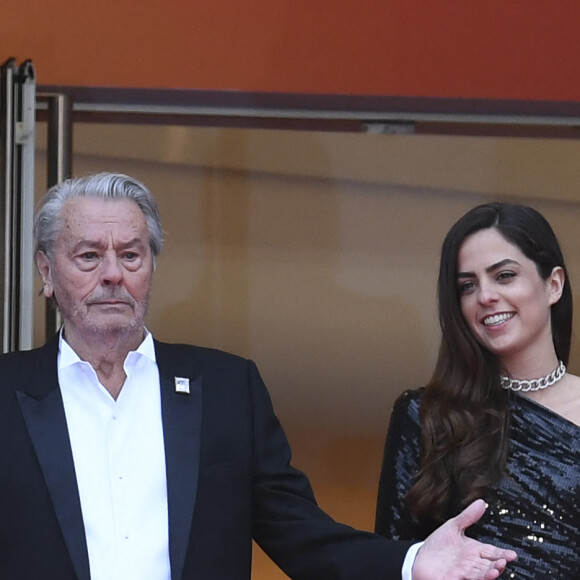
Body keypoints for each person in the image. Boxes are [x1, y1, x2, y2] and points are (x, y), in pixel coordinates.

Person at [0, 173, 516, 580]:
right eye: (89, 255)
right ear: (47, 272)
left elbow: (301, 535)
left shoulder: (226, 389)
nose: (112, 273)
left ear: (151, 267)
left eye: (130, 255)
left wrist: (411, 563)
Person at [375, 202, 579, 579]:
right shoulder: (426, 415)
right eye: (467, 285)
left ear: (553, 285)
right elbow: (393, 557)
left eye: (504, 276)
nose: (485, 296)